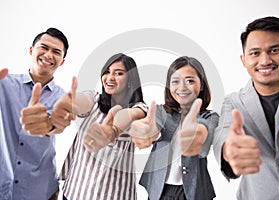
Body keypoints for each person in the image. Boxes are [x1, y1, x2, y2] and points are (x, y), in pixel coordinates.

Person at [213, 16, 279, 199]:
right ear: (243, 60)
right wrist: (229, 151)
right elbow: (224, 134)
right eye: (255, 53)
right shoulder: (234, 102)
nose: (265, 60)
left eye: (274, 50)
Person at [58, 53, 147, 200]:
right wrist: (70, 103)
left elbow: (135, 114)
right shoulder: (94, 99)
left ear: (131, 80)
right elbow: (82, 101)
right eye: (107, 72)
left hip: (114, 194)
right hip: (77, 191)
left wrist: (115, 129)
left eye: (118, 73)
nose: (110, 77)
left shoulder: (139, 108)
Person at [129, 56, 219, 200]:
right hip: (159, 190)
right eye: (175, 81)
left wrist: (198, 134)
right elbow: (155, 129)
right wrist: (148, 132)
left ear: (201, 85)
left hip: (193, 192)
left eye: (190, 81)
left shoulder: (210, 117)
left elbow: (205, 140)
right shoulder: (161, 112)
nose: (182, 87)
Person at [0, 28, 70, 199]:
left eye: (56, 52)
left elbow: (57, 126)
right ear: (31, 50)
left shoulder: (63, 98)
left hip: (40, 190)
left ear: (62, 61)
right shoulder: (4, 84)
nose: (48, 55)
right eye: (44, 47)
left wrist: (49, 124)